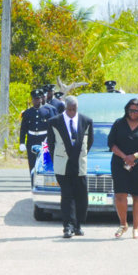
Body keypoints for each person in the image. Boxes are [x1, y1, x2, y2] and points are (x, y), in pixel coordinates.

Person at [46, 95, 94, 238]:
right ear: (65, 108)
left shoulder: (86, 121)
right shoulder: (54, 122)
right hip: (63, 165)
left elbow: (89, 142)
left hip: (79, 164)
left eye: (74, 109)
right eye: (69, 109)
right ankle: (68, 227)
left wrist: (79, 154)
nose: (72, 112)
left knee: (81, 197)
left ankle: (78, 225)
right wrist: (60, 158)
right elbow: (51, 144)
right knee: (67, 196)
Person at [108, 98, 138, 239]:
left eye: (135, 110)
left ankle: (136, 228)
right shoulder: (118, 123)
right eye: (130, 110)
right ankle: (123, 224)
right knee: (120, 195)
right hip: (120, 163)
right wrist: (125, 157)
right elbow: (111, 143)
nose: (133, 113)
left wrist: (135, 156)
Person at [19, 89, 50, 176]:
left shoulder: (46, 112)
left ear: (41, 99)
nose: (36, 101)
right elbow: (23, 129)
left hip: (44, 140)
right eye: (34, 99)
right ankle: (33, 181)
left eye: (38, 99)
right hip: (31, 140)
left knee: (44, 161)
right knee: (32, 162)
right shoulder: (28, 113)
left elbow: (50, 129)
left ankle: (43, 180)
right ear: (32, 100)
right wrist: (22, 142)